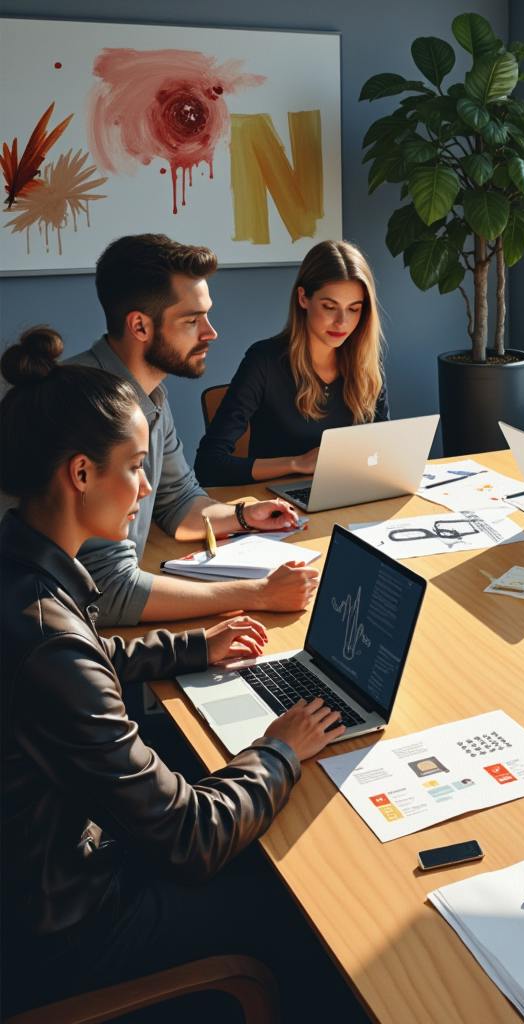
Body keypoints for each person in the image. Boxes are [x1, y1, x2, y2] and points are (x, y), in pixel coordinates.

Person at [0, 327, 349, 1018]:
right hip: (66, 936)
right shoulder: (49, 642)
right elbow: (192, 837)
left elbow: (83, 667)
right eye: (133, 466)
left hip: (41, 878)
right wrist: (279, 750)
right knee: (305, 906)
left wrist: (192, 647)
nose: (144, 487)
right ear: (79, 474)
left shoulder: (24, 575)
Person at [67, 233, 319, 627]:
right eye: (192, 319)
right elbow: (106, 591)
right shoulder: (92, 411)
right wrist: (258, 593)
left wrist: (244, 516)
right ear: (139, 326)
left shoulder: (150, 395)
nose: (210, 332)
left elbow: (177, 502)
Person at [195, 239, 388, 487]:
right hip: (277, 507)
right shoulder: (264, 361)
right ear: (303, 298)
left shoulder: (366, 364)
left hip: (350, 498)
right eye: (329, 307)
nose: (342, 322)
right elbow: (208, 464)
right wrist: (297, 463)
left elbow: (382, 455)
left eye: (354, 309)